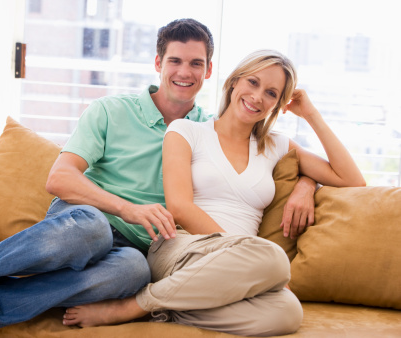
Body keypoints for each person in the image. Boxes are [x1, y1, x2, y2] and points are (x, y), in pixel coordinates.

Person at [0, 20, 316, 331]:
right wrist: (127, 209)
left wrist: (304, 182)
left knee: (132, 273)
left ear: (209, 72)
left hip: (136, 250)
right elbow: (59, 179)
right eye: (175, 60)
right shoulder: (111, 111)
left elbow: (274, 154)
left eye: (195, 63)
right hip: (84, 221)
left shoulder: (209, 128)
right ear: (158, 62)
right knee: (94, 229)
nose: (184, 72)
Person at [61, 50, 366, 336]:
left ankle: (165, 307)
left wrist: (307, 165)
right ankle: (133, 305)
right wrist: (240, 249)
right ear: (234, 83)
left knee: (288, 313)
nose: (258, 97)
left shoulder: (277, 146)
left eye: (271, 93)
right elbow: (179, 207)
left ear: (278, 104)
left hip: (238, 265)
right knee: (273, 258)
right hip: (182, 247)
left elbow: (352, 181)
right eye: (253, 82)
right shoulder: (186, 131)